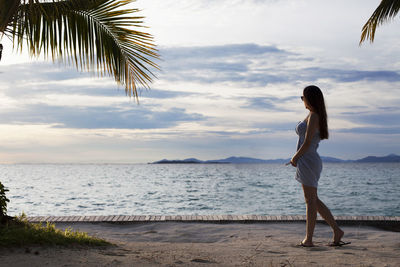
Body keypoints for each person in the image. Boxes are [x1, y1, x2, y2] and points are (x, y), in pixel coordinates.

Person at [289, 85, 350, 247]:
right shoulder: (311, 114)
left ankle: (308, 239)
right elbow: (305, 140)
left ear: (310, 98)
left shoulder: (315, 116)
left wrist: (295, 157)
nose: (302, 101)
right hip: (307, 160)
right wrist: (297, 158)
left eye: (303, 97)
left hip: (308, 160)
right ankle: (337, 231)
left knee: (310, 201)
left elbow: (308, 142)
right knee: (313, 199)